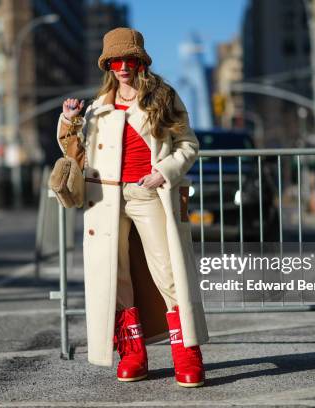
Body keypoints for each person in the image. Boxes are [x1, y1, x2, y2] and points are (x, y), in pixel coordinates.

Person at [56, 27, 208, 387]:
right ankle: (132, 352)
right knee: (116, 277)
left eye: (130, 60)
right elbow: (75, 154)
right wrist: (68, 121)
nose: (123, 67)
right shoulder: (97, 108)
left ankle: (187, 352)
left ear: (141, 61)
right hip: (104, 200)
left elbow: (188, 144)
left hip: (148, 193)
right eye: (116, 61)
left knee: (169, 274)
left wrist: (163, 172)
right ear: (108, 65)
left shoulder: (162, 97)